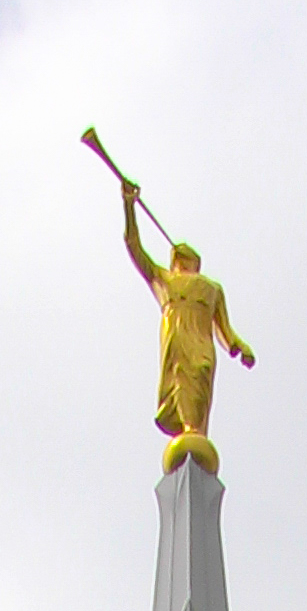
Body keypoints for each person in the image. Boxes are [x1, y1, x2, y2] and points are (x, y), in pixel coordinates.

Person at [117, 175, 254, 467]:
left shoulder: (211, 288)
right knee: (180, 380)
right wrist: (129, 207)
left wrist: (240, 346)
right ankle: (189, 431)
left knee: (201, 374)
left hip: (201, 342)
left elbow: (224, 328)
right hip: (176, 340)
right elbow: (134, 246)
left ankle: (196, 433)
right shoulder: (164, 279)